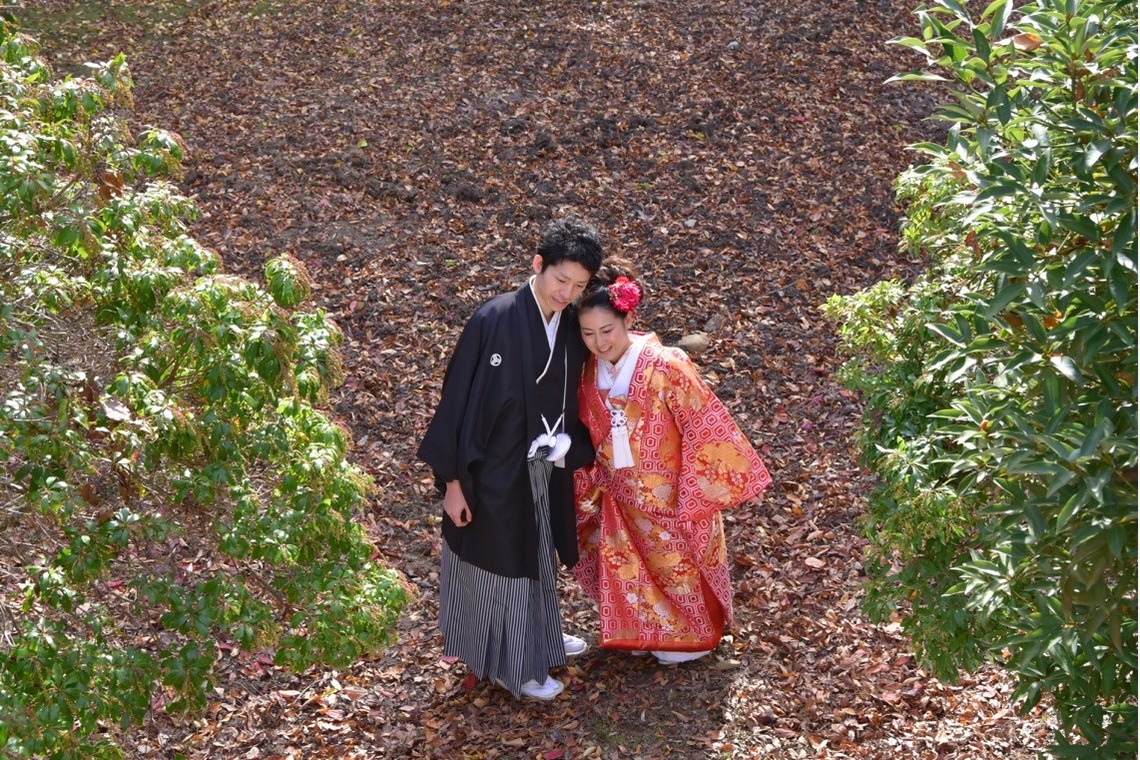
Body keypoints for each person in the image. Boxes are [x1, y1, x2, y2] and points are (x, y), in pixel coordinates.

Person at [416, 217, 605, 701]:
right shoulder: (494, 319)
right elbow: (457, 402)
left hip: (543, 464)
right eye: (561, 279)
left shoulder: (568, 328)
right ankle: (513, 665)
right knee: (501, 561)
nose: (567, 292)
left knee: (538, 550)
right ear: (537, 264)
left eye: (578, 285)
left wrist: (569, 446)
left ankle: (539, 635)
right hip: (492, 471)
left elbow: (578, 394)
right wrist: (452, 481)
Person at [572, 261, 771, 664]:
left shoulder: (667, 364)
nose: (599, 342)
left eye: (607, 330)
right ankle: (644, 632)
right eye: (588, 333)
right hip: (621, 491)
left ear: (628, 317)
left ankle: (693, 637)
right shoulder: (588, 371)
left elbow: (703, 425)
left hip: (672, 491)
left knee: (677, 566)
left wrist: (694, 489)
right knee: (632, 564)